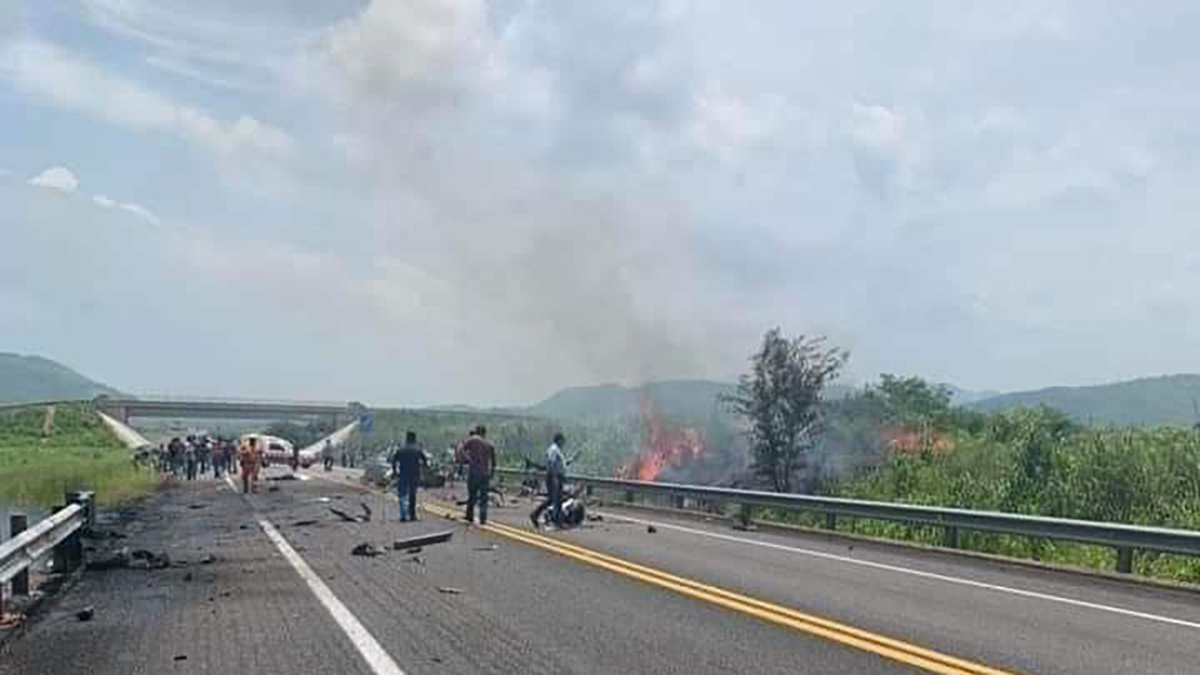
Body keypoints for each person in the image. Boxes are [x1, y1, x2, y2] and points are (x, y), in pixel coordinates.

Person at [531, 432, 567, 529]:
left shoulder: (556, 449)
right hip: (553, 476)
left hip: (556, 476)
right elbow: (551, 463)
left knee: (554, 499)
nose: (564, 443)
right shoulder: (554, 449)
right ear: (559, 440)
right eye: (563, 441)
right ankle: (556, 521)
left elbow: (558, 464)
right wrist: (555, 477)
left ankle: (536, 515)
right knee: (556, 499)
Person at [390, 431, 428, 522]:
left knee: (403, 495)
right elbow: (425, 461)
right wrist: (423, 472)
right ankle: (412, 515)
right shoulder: (418, 450)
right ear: (415, 439)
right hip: (415, 475)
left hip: (403, 474)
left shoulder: (401, 450)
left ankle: (403, 515)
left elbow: (393, 460)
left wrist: (395, 471)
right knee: (412, 495)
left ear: (406, 439)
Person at [462, 425, 496, 525]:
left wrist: (467, 459)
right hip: (485, 473)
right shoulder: (490, 444)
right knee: (483, 497)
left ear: (477, 432)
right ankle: (483, 518)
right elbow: (494, 462)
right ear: (485, 433)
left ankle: (469, 516)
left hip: (474, 472)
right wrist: (492, 473)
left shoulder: (473, 440)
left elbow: (462, 449)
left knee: (472, 495)